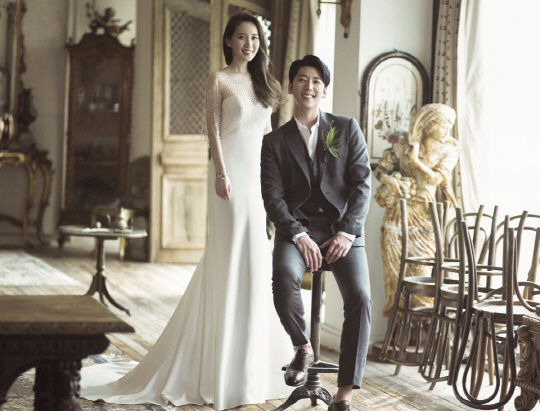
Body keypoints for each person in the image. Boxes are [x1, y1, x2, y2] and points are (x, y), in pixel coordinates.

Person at [80, 12, 293, 410]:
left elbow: (267, 136)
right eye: (242, 37)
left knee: (255, 260)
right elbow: (212, 131)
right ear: (228, 41)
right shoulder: (219, 80)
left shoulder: (265, 83)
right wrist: (221, 173)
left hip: (257, 182)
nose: (249, 44)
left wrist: (274, 181)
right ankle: (218, 364)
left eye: (254, 38)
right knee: (228, 257)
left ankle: (252, 363)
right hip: (229, 179)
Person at [260, 55, 372, 411]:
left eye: (316, 82)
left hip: (343, 232)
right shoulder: (274, 141)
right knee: (283, 276)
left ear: (324, 90)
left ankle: (344, 394)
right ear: (290, 87)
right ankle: (302, 347)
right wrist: (298, 235)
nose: (308, 87)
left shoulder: (346, 128)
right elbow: (273, 198)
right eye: (301, 80)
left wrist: (347, 233)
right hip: (297, 232)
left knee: (360, 297)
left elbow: (362, 185)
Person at [373, 103, 460, 317]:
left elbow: (436, 179)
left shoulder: (449, 150)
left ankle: (421, 325)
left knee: (423, 272)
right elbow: (381, 170)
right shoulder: (403, 144)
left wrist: (414, 159)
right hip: (397, 215)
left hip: (425, 216)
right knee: (394, 273)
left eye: (449, 125)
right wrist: (392, 181)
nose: (447, 130)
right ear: (428, 125)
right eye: (443, 124)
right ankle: (397, 324)